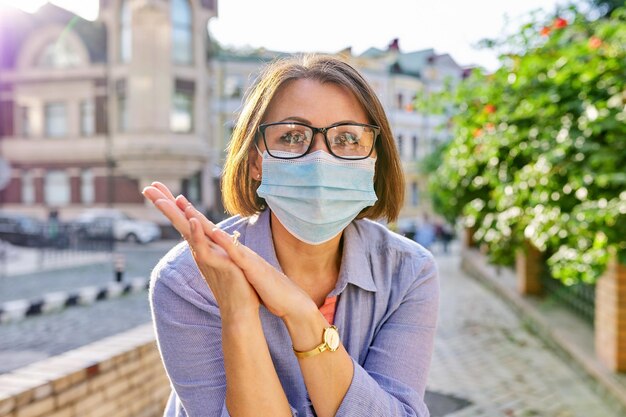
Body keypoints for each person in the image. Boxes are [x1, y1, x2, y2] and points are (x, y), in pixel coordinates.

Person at [142, 55, 439, 417]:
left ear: (374, 160)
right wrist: (238, 310)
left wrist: (300, 314)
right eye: (293, 136)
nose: (320, 159)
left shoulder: (408, 272)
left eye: (347, 138)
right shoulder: (189, 280)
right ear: (255, 162)